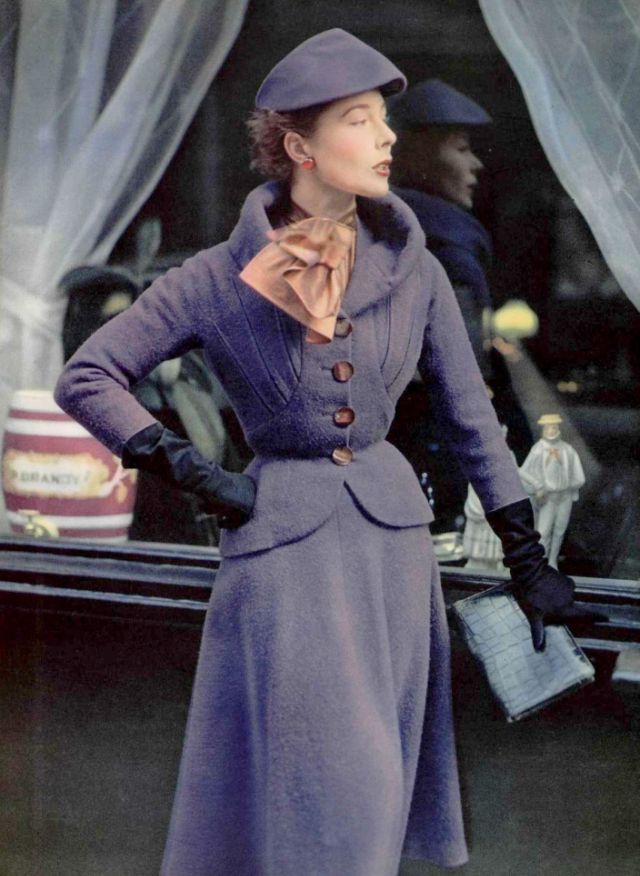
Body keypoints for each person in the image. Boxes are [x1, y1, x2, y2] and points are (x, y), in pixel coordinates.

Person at [54, 29, 599, 876]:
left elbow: (472, 418)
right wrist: (191, 470)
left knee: (372, 808)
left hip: (392, 559)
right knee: (336, 805)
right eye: (359, 119)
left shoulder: (416, 269)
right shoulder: (215, 277)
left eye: (385, 118)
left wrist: (526, 555)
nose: (386, 137)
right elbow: (88, 376)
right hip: (285, 560)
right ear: (299, 147)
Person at [388, 79, 532, 531]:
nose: (476, 164)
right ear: (414, 155)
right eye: (462, 148)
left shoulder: (403, 230)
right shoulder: (443, 245)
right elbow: (464, 378)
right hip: (434, 464)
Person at [520, 414, 586, 568]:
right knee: (544, 531)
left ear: (558, 428)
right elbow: (522, 471)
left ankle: (552, 561)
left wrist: (569, 484)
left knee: (559, 530)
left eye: (554, 426)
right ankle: (540, 562)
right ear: (544, 429)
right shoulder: (538, 449)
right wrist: (538, 485)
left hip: (564, 496)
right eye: (548, 427)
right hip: (548, 497)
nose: (551, 430)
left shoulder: (567, 450)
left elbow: (580, 477)